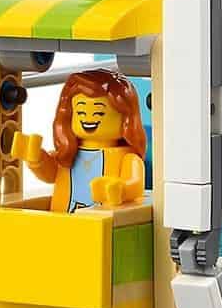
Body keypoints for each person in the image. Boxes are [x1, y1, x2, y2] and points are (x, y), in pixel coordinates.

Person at [10, 68, 146, 211]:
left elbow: (135, 185)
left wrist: (120, 189)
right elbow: (50, 174)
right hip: (65, 219)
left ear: (126, 118)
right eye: (80, 112)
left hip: (98, 220)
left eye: (99, 112)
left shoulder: (128, 158)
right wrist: (37, 159)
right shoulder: (68, 153)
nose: (88, 118)